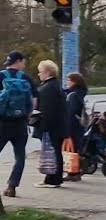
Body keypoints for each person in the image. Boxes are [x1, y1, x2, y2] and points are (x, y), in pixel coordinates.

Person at [0, 51, 37, 198]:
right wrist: (27, 116)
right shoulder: (26, 78)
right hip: (20, 123)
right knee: (20, 156)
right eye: (23, 62)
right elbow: (34, 101)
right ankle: (12, 186)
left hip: (2, 122)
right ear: (20, 61)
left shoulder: (1, 75)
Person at [32, 60, 69, 188]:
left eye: (40, 71)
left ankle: (53, 179)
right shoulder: (55, 85)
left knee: (52, 152)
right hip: (58, 126)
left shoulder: (48, 88)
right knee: (54, 152)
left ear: (47, 72)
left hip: (51, 127)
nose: (38, 74)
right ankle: (52, 178)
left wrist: (42, 126)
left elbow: (46, 110)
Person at [65, 72, 89, 183]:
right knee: (75, 149)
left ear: (74, 81)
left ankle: (73, 173)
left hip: (73, 125)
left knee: (72, 150)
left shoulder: (73, 95)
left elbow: (71, 112)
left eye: (69, 80)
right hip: (79, 126)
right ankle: (75, 172)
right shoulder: (80, 93)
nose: (67, 82)